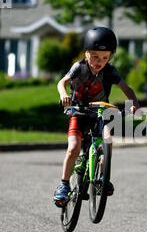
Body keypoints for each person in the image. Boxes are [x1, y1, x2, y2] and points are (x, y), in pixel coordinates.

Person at [54, 27, 140, 207]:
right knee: (74, 148)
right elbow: (62, 82)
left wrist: (134, 103)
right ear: (86, 53)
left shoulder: (110, 71)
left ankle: (102, 176)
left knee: (106, 142)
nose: (99, 61)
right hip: (78, 111)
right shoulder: (79, 67)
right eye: (94, 56)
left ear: (110, 57)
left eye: (104, 57)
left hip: (100, 113)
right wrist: (64, 95)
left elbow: (127, 89)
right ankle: (63, 185)